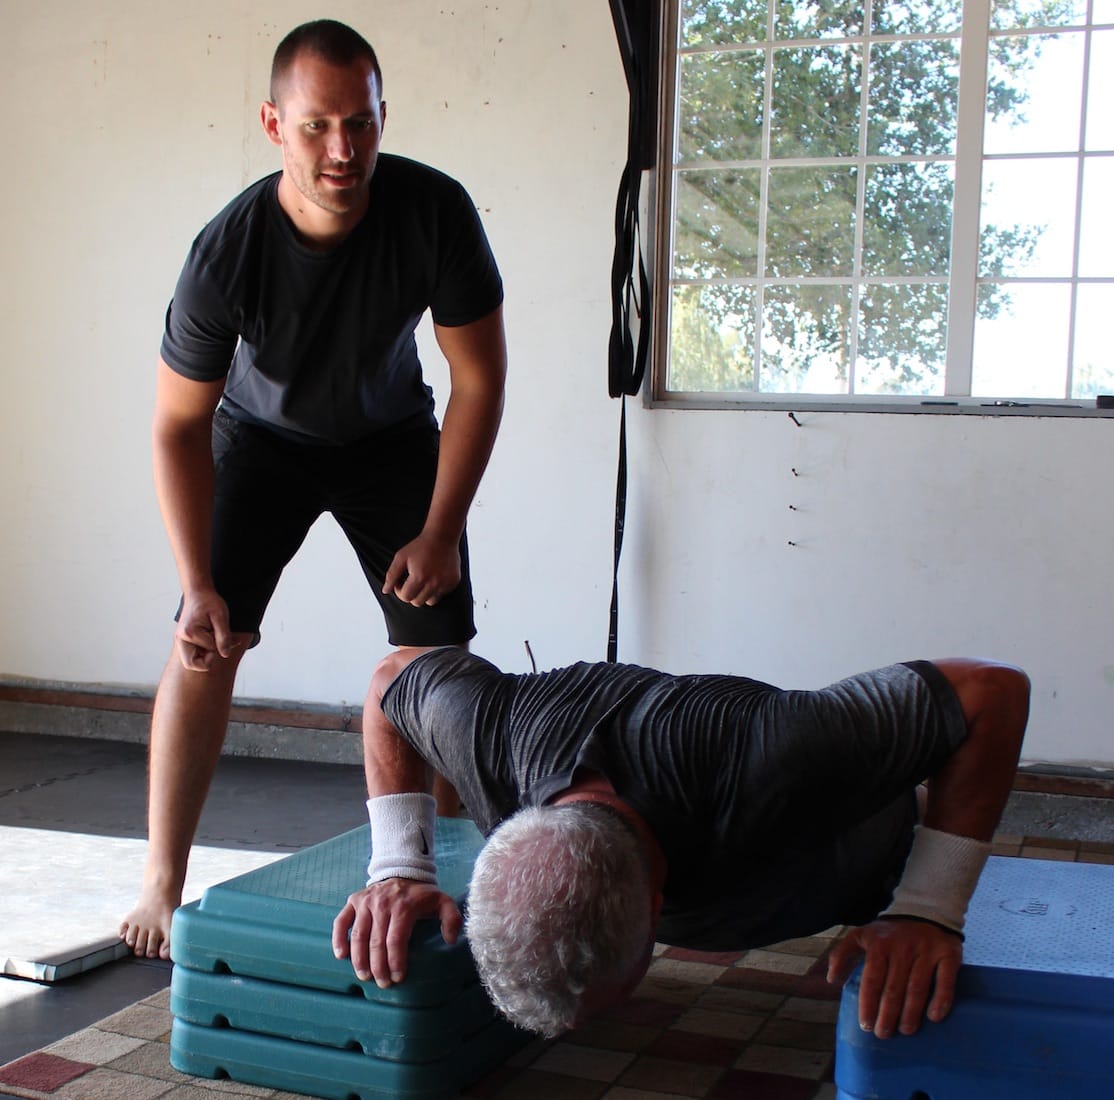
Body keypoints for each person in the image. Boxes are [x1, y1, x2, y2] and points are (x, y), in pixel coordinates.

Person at [119, 19, 507, 960]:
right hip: (262, 440)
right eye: (316, 126)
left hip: (389, 440)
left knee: (436, 660)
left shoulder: (433, 211)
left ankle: (440, 874)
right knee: (205, 643)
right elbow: (176, 425)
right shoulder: (228, 253)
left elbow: (479, 381)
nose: (342, 150)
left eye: (362, 124)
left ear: (383, 117)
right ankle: (161, 887)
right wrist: (197, 580)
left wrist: (443, 528)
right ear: (272, 124)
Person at [332, 647, 1029, 1041]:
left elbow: (990, 692)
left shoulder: (780, 754)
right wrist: (398, 864)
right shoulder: (490, 737)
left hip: (859, 860)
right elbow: (394, 677)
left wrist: (928, 908)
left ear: (658, 908)